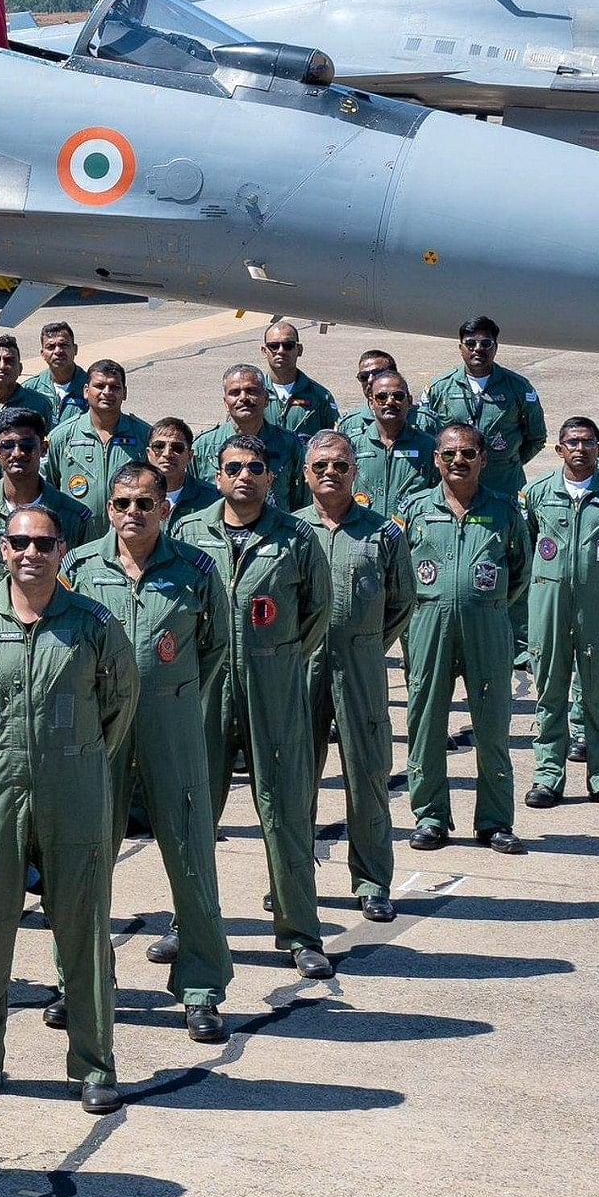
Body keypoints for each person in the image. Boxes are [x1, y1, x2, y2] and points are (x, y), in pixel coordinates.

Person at [0, 505, 136, 1110]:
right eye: (19, 542)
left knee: (83, 925)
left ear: (62, 552)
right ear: (3, 549)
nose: (30, 553)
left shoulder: (92, 624)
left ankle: (94, 1064)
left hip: (72, 785)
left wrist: (76, 756)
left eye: (44, 543)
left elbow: (120, 700)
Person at [67, 464, 231, 1038]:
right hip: (100, 726)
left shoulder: (195, 570)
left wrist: (174, 696)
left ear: (166, 508)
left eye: (144, 502)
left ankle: (202, 988)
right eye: (121, 503)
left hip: (172, 724)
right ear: (108, 509)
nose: (132, 512)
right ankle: (82, 982)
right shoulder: (81, 566)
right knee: (86, 857)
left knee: (190, 854)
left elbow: (215, 647)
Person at [173, 433, 338, 978]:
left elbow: (317, 611)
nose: (244, 476)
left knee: (285, 805)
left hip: (275, 685)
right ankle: (190, 925)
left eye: (255, 468)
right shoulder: (189, 533)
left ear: (272, 478)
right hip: (209, 683)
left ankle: (300, 932)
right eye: (233, 467)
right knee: (196, 808)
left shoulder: (296, 536)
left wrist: (279, 658)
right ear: (217, 476)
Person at [300, 432, 415, 921]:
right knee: (293, 779)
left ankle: (371, 881)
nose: (331, 472)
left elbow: (402, 601)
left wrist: (367, 645)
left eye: (341, 465)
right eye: (321, 465)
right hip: (300, 667)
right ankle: (292, 881)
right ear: (305, 473)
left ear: (355, 472)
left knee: (367, 775)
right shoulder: (290, 531)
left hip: (360, 667)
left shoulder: (383, 534)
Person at [401, 426, 527, 852]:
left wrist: (483, 604)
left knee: (492, 725)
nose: (459, 461)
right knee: (425, 722)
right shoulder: (417, 509)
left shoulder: (505, 511)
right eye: (450, 453)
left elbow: (519, 571)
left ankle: (494, 821)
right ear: (436, 459)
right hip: (427, 627)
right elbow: (400, 572)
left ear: (482, 459)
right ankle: (430, 816)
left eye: (468, 453)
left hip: (487, 628)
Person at [522, 416, 599, 815]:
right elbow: (526, 546)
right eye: (571, 442)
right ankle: (547, 774)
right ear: (559, 449)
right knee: (550, 693)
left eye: (588, 442)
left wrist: (598, 577)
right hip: (549, 604)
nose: (580, 449)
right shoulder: (538, 493)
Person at [0, 408, 86, 611]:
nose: (17, 453)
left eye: (27, 445)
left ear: (44, 448)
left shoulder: (74, 517)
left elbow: (85, 582)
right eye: (7, 446)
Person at [428, 316, 546, 511]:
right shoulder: (441, 388)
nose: (478, 349)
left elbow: (537, 437)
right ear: (461, 348)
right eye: (471, 343)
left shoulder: (518, 387)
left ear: (495, 347)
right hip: (455, 492)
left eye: (486, 343)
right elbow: (428, 435)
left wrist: (507, 460)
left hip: (504, 487)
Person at [191, 363, 307, 512]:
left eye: (251, 391)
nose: (243, 398)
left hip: (275, 532)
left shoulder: (290, 445)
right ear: (226, 403)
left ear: (265, 399)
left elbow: (303, 503)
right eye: (235, 393)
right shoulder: (203, 447)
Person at [44, 359, 147, 517]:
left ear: (124, 393)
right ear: (86, 391)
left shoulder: (143, 435)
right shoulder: (62, 436)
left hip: (127, 534)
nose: (107, 392)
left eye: (114, 387)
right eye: (99, 386)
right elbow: (46, 488)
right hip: (76, 537)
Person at [343, 371, 440, 515]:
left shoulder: (428, 446)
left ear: (410, 401)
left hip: (410, 532)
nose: (390, 402)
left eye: (398, 396)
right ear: (371, 402)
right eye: (381, 397)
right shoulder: (352, 444)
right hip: (364, 532)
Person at [256, 320, 339, 445]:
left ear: (299, 349)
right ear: (264, 351)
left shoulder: (320, 396)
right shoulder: (253, 394)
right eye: (273, 346)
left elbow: (335, 439)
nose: (281, 351)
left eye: (288, 345)